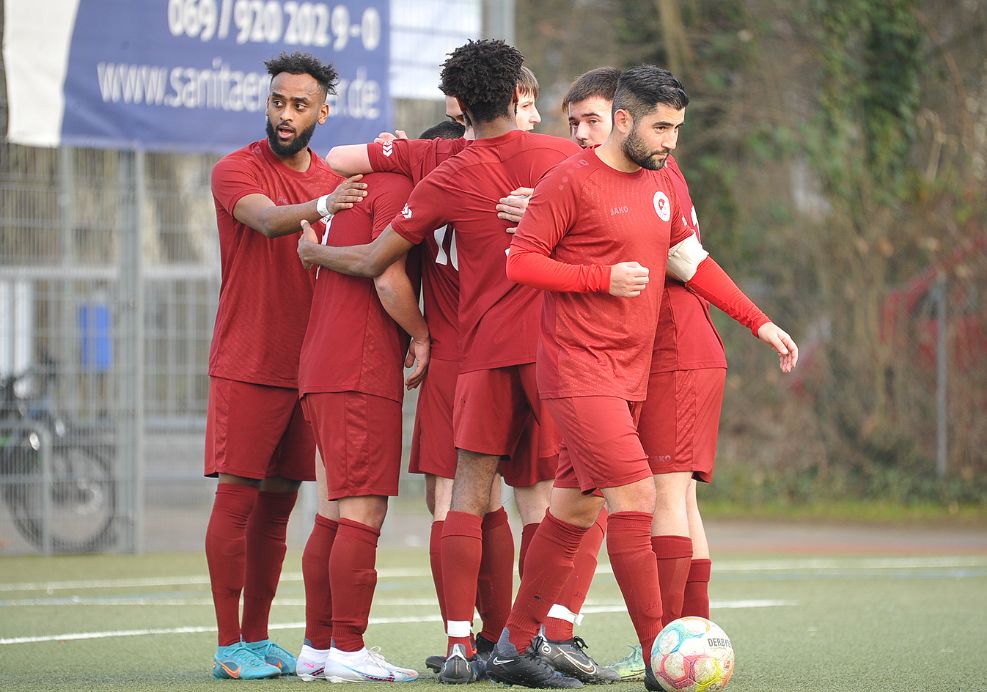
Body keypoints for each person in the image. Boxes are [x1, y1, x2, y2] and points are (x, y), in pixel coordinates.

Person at [488, 65, 798, 690]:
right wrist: (600, 278)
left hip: (628, 374)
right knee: (637, 497)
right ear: (624, 120)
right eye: (661, 128)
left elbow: (694, 263)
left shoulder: (661, 183)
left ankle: (512, 648)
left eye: (677, 129)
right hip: (578, 369)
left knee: (572, 510)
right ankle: (663, 654)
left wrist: (759, 322)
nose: (670, 142)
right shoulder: (569, 180)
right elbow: (520, 262)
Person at [296, 39, 581, 685]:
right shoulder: (562, 160)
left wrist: (317, 253)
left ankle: (458, 642)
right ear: (515, 95)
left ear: (458, 104)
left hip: (467, 354)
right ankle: (536, 636)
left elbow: (374, 250)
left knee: (458, 497)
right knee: (561, 494)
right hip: (544, 349)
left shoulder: (441, 169)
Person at [203, 51, 367, 680]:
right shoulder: (237, 169)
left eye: (300, 104)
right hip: (248, 360)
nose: (285, 114)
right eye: (278, 101)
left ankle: (257, 637)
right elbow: (269, 221)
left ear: (323, 113)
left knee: (277, 509)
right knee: (236, 500)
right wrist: (325, 206)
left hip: (309, 369)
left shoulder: (331, 177)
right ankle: (228, 646)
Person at [293, 168, 426, 682]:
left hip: (322, 366)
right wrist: (422, 334)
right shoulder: (395, 188)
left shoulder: (358, 189)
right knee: (363, 512)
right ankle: (348, 647)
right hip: (358, 369)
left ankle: (318, 647)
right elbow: (387, 278)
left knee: (331, 512)